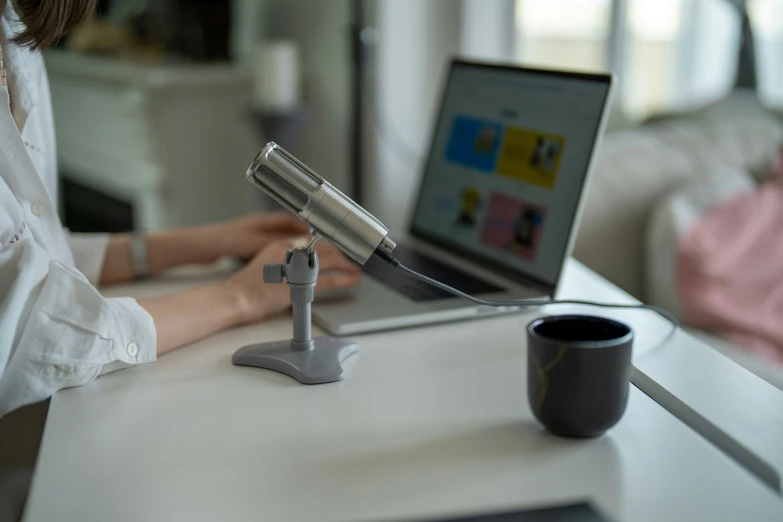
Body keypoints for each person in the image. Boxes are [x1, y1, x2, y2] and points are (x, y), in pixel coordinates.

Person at [0, 0, 361, 419]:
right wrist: (240, 297)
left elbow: (32, 258)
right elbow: (31, 329)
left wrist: (205, 242)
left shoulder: (15, 36)